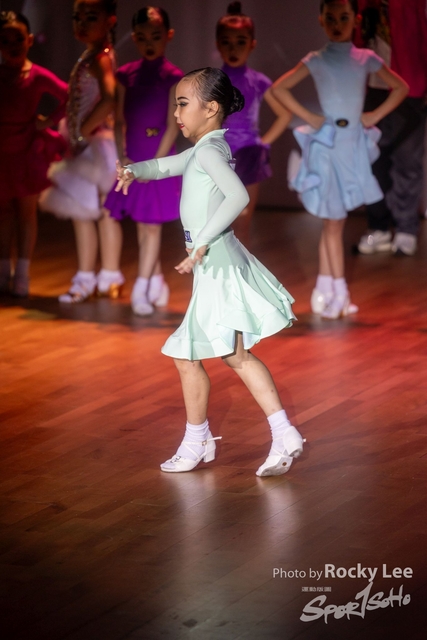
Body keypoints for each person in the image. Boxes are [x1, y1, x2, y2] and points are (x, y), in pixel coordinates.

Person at [115, 67, 304, 477]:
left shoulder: (208, 152)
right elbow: (164, 166)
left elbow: (237, 196)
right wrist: (134, 170)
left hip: (216, 262)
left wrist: (200, 241)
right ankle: (278, 433)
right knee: (231, 355)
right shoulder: (206, 148)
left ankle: (201, 441)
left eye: (183, 104)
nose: (176, 113)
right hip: (217, 262)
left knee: (192, 355)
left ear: (211, 108)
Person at [272, 0, 408, 318]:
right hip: (327, 147)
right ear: (321, 20)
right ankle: (338, 292)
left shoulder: (365, 58)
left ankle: (325, 290)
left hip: (351, 146)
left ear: (355, 20)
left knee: (333, 222)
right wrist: (310, 117)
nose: (337, 24)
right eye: (331, 18)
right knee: (333, 221)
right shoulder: (317, 59)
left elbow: (401, 87)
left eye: (343, 18)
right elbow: (280, 88)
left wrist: (374, 114)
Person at [39, 0, 124, 302]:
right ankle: (87, 277)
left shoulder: (100, 58)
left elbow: (110, 98)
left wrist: (85, 129)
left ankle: (108, 276)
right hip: (83, 145)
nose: (82, 24)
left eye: (91, 17)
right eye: (78, 18)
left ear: (109, 21)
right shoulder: (90, 56)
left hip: (96, 147)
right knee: (81, 209)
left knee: (104, 211)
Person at [104, 7, 183, 316]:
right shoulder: (126, 74)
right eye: (142, 37)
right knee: (142, 222)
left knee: (151, 225)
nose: (149, 43)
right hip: (134, 154)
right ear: (134, 38)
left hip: (157, 156)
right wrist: (122, 155)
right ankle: (156, 279)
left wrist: (156, 165)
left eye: (156, 36)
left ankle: (142, 285)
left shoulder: (173, 77)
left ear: (168, 36)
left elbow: (172, 125)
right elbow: (119, 120)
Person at [0, 10, 68, 297]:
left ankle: (23, 273)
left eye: (18, 38)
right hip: (2, 153)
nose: (12, 45)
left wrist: (49, 121)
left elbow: (68, 96)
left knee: (26, 213)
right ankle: (3, 270)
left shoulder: (37, 75)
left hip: (27, 151)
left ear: (29, 40)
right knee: (3, 213)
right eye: (5, 40)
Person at [215, 2, 291, 243]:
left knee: (242, 221)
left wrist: (263, 143)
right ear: (218, 44)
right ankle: (216, 266)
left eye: (240, 42)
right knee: (216, 222)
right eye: (226, 42)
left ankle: (239, 266)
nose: (233, 48)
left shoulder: (258, 81)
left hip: (248, 157)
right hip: (217, 156)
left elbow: (285, 114)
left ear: (252, 44)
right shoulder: (211, 80)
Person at [356, 0, 427, 256]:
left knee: (407, 160)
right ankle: (379, 226)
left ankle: (406, 228)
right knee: (374, 161)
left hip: (410, 85)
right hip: (371, 87)